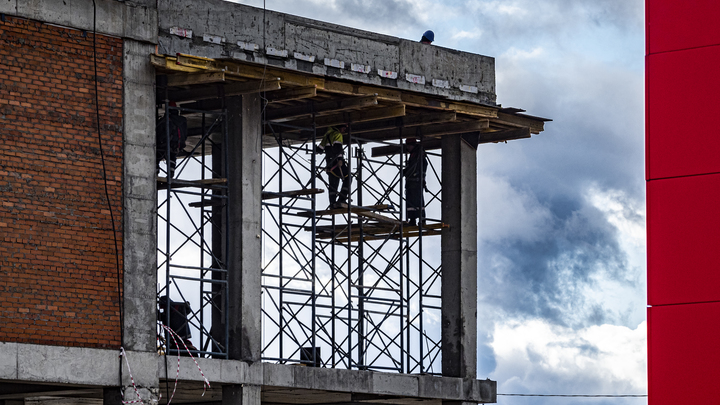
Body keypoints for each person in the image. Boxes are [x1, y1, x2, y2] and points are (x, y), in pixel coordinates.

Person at [317, 125, 351, 208]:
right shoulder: (337, 135)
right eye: (344, 128)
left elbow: (320, 149)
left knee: (333, 184)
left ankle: (332, 203)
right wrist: (340, 160)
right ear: (339, 127)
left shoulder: (327, 136)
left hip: (329, 165)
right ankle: (341, 199)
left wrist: (315, 149)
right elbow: (338, 148)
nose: (344, 129)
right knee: (348, 177)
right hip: (336, 163)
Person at [155, 102, 187, 179]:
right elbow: (185, 134)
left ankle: (155, 172)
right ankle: (171, 173)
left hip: (165, 144)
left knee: (156, 157)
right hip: (176, 145)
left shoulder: (165, 120)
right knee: (172, 158)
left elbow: (159, 132)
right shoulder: (183, 120)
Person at [403, 138, 428, 226]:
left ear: (412, 145)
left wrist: (406, 172)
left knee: (418, 201)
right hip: (412, 182)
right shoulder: (415, 154)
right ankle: (413, 220)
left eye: (408, 146)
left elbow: (414, 167)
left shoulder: (417, 155)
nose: (408, 148)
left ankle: (422, 220)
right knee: (411, 203)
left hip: (415, 182)